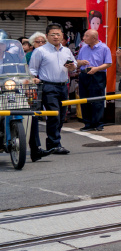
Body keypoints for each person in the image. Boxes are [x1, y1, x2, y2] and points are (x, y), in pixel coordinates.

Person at [28, 23, 75, 160]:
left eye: (58, 34)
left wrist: (72, 66)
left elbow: (74, 67)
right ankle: (55, 143)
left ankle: (52, 142)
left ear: (62, 36)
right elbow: (32, 70)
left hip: (63, 85)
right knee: (54, 114)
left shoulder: (66, 50)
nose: (56, 37)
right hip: (48, 86)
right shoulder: (40, 51)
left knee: (61, 116)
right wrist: (34, 80)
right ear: (47, 36)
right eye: (53, 34)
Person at [76, 29, 112, 132]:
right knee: (84, 99)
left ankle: (98, 123)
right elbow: (77, 61)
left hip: (97, 75)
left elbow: (108, 63)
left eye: (86, 36)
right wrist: (80, 62)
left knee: (97, 100)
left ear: (94, 38)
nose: (84, 38)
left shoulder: (104, 48)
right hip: (84, 75)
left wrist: (97, 68)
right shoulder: (83, 48)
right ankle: (87, 123)